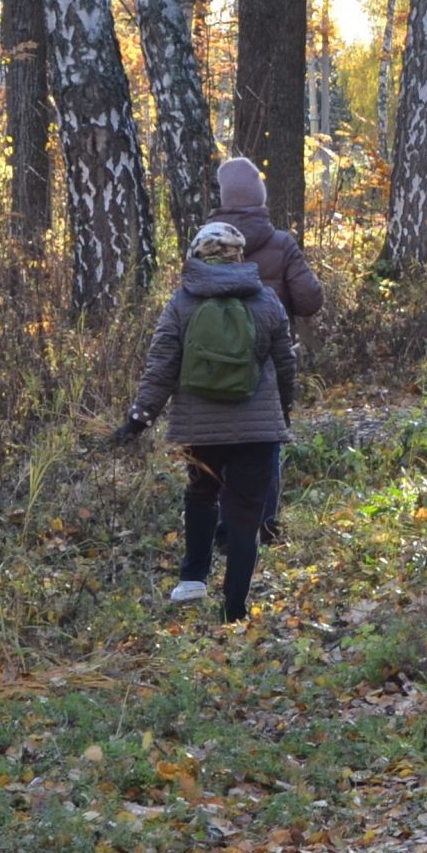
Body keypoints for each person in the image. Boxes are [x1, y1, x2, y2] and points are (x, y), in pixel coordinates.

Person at [119, 222, 294, 624]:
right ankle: (234, 611)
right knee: (245, 517)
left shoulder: (181, 303)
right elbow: (286, 363)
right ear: (239, 256)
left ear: (196, 256)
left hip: (199, 430)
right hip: (257, 431)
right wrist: (283, 410)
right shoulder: (266, 300)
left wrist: (137, 420)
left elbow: (161, 366)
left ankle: (193, 576)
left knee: (201, 495)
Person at [211, 157, 322, 543]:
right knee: (267, 439)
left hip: (217, 361)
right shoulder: (281, 243)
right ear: (260, 197)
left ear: (224, 198)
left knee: (221, 439)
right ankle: (265, 523)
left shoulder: (208, 243)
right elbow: (310, 300)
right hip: (271, 359)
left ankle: (226, 526)